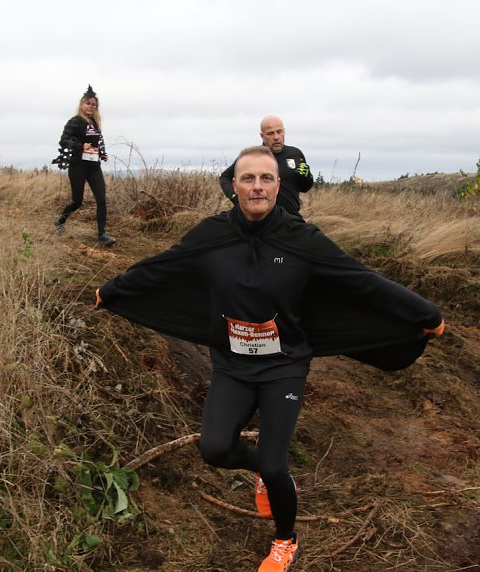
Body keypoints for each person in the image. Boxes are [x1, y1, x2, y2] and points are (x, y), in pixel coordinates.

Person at [95, 146, 445, 572]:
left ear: (279, 185)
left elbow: (362, 281)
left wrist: (425, 315)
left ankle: (285, 539)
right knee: (216, 449)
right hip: (232, 364)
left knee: (278, 464)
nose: (257, 186)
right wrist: (112, 290)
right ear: (234, 186)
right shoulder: (211, 235)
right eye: (248, 179)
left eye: (266, 178)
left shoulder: (302, 240)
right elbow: (161, 266)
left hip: (284, 366)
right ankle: (264, 472)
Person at [52, 84, 115, 247]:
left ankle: (102, 235)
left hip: (94, 166)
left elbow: (98, 141)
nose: (91, 106)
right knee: (77, 201)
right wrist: (81, 146)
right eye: (88, 103)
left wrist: (102, 153)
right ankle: (60, 221)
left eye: (94, 104)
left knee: (101, 199)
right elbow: (64, 140)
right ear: (82, 104)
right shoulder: (75, 121)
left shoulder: (95, 123)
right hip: (78, 166)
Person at [219, 115, 312, 217]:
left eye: (279, 132)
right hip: (262, 221)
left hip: (291, 220)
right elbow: (225, 177)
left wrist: (307, 177)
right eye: (270, 133)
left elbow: (305, 187)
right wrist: (235, 198)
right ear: (262, 136)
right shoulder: (253, 155)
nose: (276, 137)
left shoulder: (295, 154)